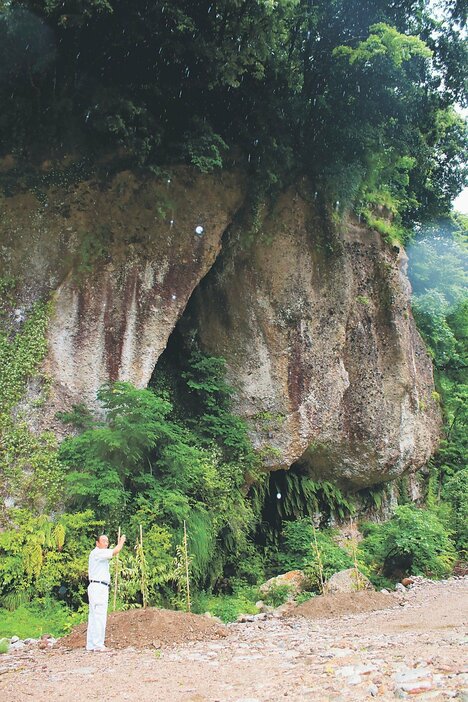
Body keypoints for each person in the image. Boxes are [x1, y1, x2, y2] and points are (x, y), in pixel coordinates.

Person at [86, 533, 126, 652]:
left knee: (93, 616)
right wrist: (121, 541)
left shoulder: (99, 554)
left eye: (107, 541)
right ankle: (98, 645)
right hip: (98, 587)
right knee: (99, 615)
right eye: (103, 541)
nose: (106, 543)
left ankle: (91, 644)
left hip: (96, 586)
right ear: (97, 543)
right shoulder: (98, 552)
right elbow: (115, 551)